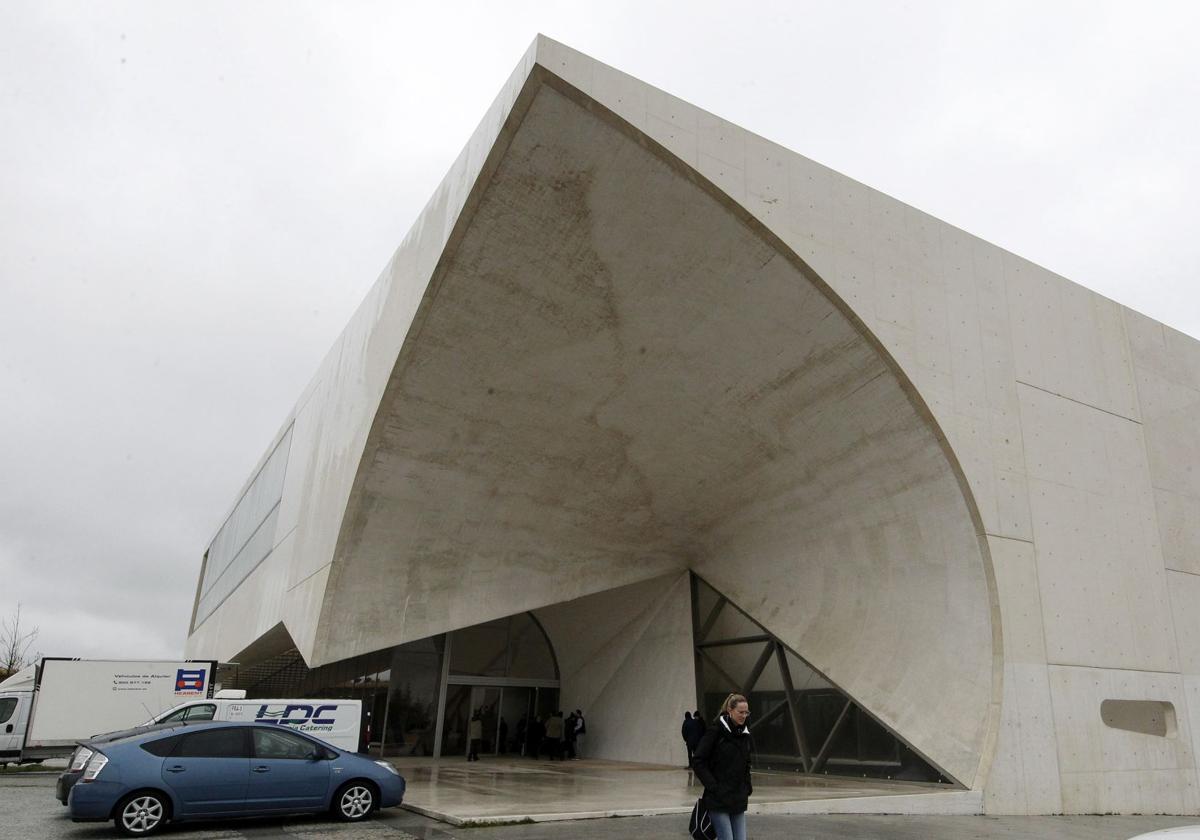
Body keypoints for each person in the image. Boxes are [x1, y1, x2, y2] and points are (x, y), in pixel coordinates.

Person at [691, 693, 753, 840]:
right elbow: (698, 760)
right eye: (740, 712)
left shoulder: (744, 734)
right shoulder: (716, 731)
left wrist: (747, 786)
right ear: (730, 711)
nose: (744, 716)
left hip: (738, 798)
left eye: (746, 712)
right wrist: (713, 786)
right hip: (718, 800)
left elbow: (746, 762)